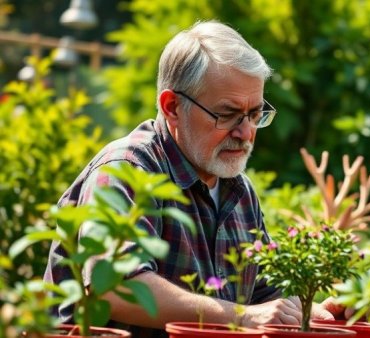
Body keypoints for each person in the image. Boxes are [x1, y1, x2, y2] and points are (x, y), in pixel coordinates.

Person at [44, 20, 339, 337]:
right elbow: (114, 286)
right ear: (172, 106)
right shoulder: (127, 168)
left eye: (255, 115)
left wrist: (313, 312)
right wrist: (241, 317)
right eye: (227, 114)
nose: (245, 133)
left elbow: (263, 295)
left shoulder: (238, 189)